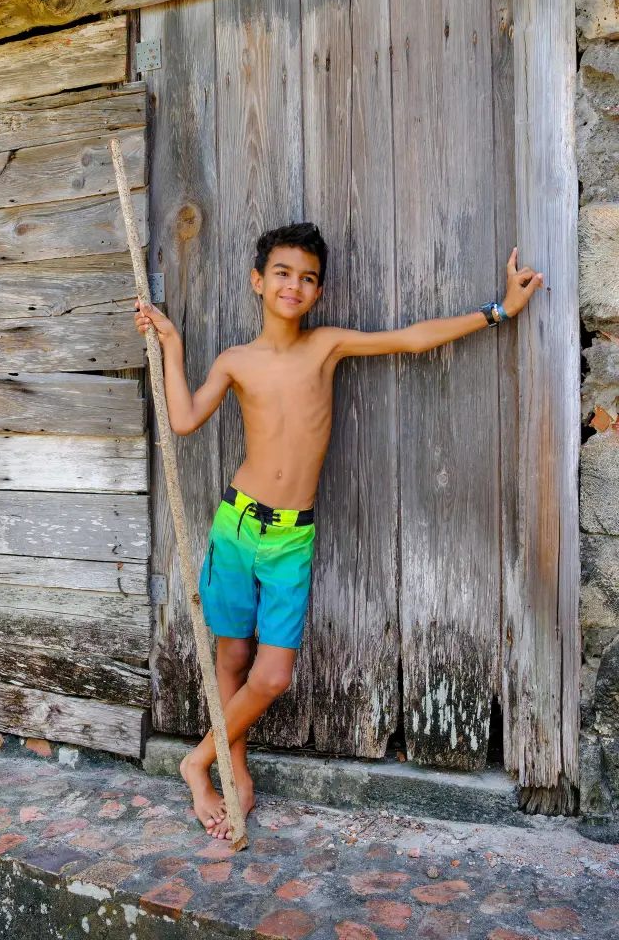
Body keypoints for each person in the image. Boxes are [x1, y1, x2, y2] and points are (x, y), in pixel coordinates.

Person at [134, 222, 543, 839]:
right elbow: (186, 418)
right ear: (258, 281)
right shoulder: (235, 361)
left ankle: (198, 759)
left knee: (270, 676)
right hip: (236, 526)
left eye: (307, 278)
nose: (293, 285)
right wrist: (170, 343)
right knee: (232, 656)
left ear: (318, 292)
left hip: (290, 537)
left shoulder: (325, 346)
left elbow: (408, 339)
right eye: (282, 273)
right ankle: (233, 770)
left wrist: (498, 311)